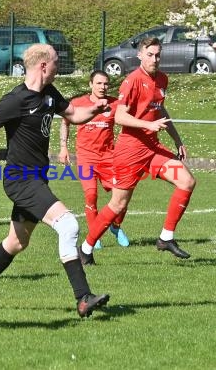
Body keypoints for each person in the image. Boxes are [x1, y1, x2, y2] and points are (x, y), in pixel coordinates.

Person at [0, 43, 110, 318]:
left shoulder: (49, 93)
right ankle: (83, 297)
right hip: (20, 181)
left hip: (37, 179)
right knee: (68, 225)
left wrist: (96, 108)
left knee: (17, 242)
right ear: (44, 65)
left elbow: (75, 115)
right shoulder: (15, 99)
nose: (59, 67)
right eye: (56, 62)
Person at [78, 37, 196, 265]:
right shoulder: (131, 81)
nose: (154, 59)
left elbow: (160, 110)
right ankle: (86, 248)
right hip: (130, 150)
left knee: (187, 181)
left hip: (152, 148)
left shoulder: (162, 79)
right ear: (140, 56)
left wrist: (177, 139)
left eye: (157, 54)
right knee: (118, 204)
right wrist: (148, 125)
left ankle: (166, 237)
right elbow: (120, 116)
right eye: (150, 55)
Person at [58, 70, 130, 253]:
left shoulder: (115, 104)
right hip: (86, 159)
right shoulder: (78, 103)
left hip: (109, 159)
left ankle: (115, 226)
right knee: (91, 195)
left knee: (122, 198)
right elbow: (65, 122)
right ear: (91, 85)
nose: (102, 87)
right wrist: (63, 147)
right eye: (98, 83)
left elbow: (129, 120)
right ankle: (94, 235)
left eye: (105, 84)